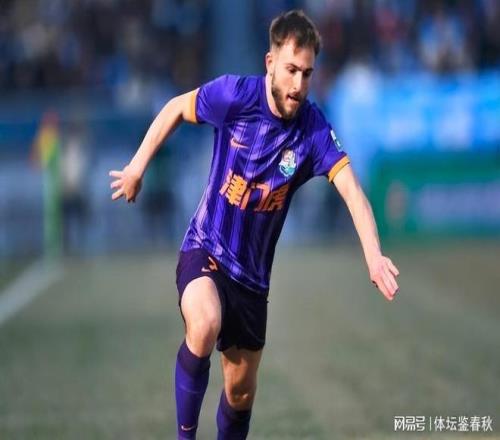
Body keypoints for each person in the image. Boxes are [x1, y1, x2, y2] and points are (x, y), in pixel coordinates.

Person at [109, 9, 399, 439]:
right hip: (206, 248)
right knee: (204, 323)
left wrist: (373, 256)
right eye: (291, 70)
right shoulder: (234, 96)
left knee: (240, 393)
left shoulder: (313, 131)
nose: (298, 84)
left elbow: (354, 194)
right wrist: (137, 166)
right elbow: (175, 108)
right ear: (270, 62)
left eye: (307, 73)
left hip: (252, 282)